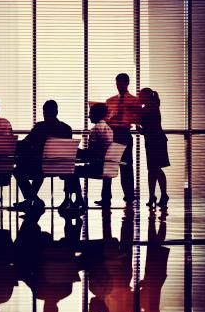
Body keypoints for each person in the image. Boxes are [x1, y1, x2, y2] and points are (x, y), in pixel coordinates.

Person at [13, 100, 72, 211]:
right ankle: (32, 200)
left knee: (18, 171)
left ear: (44, 112)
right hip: (61, 167)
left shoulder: (40, 127)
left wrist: (12, 144)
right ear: (56, 112)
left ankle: (33, 199)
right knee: (38, 169)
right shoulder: (66, 129)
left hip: (41, 167)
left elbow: (26, 143)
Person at [98, 73, 141, 207]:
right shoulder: (109, 101)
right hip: (112, 133)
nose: (119, 86)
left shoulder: (134, 101)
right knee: (109, 165)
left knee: (126, 166)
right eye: (117, 83)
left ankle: (128, 196)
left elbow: (138, 119)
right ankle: (106, 197)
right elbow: (105, 118)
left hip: (124, 133)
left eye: (121, 83)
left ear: (127, 83)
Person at [62, 103, 113, 210]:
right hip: (106, 166)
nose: (89, 116)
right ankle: (75, 199)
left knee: (70, 171)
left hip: (97, 167)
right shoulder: (108, 129)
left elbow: (91, 153)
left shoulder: (96, 129)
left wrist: (75, 151)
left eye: (90, 113)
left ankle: (78, 199)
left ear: (96, 114)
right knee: (71, 170)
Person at [138, 88, 169, 208]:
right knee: (153, 170)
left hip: (156, 142)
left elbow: (150, 127)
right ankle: (154, 196)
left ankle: (159, 195)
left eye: (141, 96)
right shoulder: (152, 107)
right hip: (154, 141)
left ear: (147, 97)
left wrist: (141, 130)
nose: (139, 98)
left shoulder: (150, 108)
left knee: (154, 169)